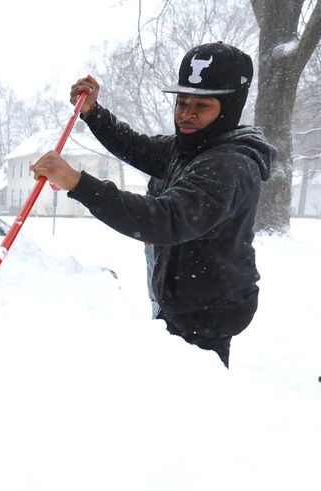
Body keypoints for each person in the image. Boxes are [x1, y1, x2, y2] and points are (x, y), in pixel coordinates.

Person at [31, 42, 276, 368]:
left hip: (208, 311)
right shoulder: (189, 147)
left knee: (195, 391)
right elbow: (136, 146)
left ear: (227, 110)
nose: (186, 114)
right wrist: (93, 112)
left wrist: (78, 184)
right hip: (181, 294)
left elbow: (166, 219)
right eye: (182, 102)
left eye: (201, 106)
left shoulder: (228, 165)